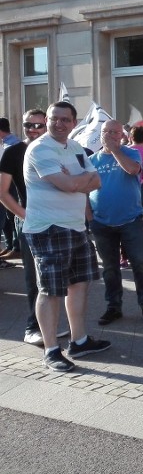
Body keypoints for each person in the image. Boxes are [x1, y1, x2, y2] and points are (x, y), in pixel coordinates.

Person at [23, 101, 110, 372]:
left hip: (76, 226)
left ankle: (79, 341)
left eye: (65, 120)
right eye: (53, 119)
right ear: (47, 120)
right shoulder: (39, 149)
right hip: (48, 228)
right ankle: (51, 350)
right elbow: (72, 184)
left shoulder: (74, 148)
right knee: (50, 291)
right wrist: (77, 180)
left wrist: (76, 179)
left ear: (74, 123)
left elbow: (96, 182)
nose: (58, 124)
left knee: (79, 284)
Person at [0, 109, 71, 346]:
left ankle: (48, 326)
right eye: (28, 124)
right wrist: (24, 215)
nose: (33, 129)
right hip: (31, 223)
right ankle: (32, 327)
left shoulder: (58, 148)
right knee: (34, 277)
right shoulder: (14, 151)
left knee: (59, 277)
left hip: (60, 221)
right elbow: (2, 192)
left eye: (39, 125)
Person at [89, 120, 143, 326]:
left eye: (114, 132)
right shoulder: (91, 160)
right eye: (106, 132)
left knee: (140, 264)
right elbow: (84, 189)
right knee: (109, 268)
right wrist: (90, 218)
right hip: (101, 222)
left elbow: (132, 170)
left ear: (122, 135)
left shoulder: (131, 153)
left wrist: (115, 151)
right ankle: (113, 306)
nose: (109, 135)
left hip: (130, 220)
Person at [0, 116, 21, 260]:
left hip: (12, 185)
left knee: (12, 216)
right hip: (6, 185)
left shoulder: (12, 145)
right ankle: (9, 245)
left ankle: (16, 247)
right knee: (7, 218)